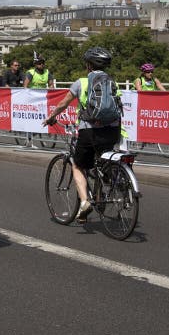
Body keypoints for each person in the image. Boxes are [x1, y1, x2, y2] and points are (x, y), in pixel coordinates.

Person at [44, 47, 121, 224]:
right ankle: (106, 192)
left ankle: (85, 202)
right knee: (102, 162)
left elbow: (64, 103)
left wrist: (52, 117)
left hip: (89, 130)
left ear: (88, 65)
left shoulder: (82, 82)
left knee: (78, 165)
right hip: (112, 130)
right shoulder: (112, 82)